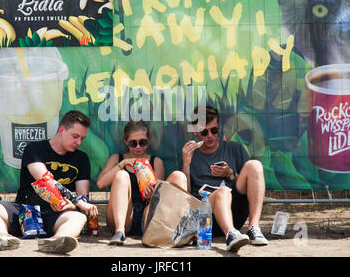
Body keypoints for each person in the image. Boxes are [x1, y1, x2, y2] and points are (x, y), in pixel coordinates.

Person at [0, 110, 98, 254]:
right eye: (75, 136)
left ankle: (57, 241)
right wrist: (77, 201)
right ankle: (2, 237)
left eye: (82, 138)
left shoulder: (82, 158)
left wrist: (73, 205)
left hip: (57, 215)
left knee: (78, 217)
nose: (78, 142)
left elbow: (82, 195)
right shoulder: (34, 149)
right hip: (25, 210)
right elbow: (45, 180)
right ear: (61, 130)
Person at [181, 104, 268, 252]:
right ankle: (231, 234)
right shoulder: (190, 154)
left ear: (219, 127)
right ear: (195, 132)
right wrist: (186, 163)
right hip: (204, 220)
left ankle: (254, 228)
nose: (209, 136)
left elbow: (248, 185)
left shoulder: (233, 149)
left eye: (214, 130)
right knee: (222, 192)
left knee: (255, 165)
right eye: (204, 132)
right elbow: (185, 193)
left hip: (235, 211)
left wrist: (230, 174)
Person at [97, 120, 187, 245]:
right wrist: (122, 164)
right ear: (126, 142)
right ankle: (120, 232)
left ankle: (179, 230)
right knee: (122, 175)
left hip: (147, 214)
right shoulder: (117, 159)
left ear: (148, 141)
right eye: (133, 143)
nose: (138, 147)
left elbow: (157, 197)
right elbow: (101, 183)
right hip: (122, 215)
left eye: (142, 142)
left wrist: (151, 193)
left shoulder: (156, 161)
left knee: (178, 176)